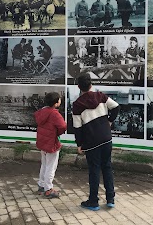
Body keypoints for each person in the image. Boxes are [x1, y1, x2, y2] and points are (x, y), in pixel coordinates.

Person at [73, 73, 120, 211]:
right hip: (106, 138)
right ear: (91, 84)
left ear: (79, 87)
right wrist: (109, 121)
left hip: (91, 142)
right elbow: (116, 107)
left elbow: (77, 127)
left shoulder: (77, 105)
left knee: (94, 170)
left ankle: (93, 201)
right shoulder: (101, 96)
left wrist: (79, 144)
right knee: (107, 167)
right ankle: (110, 199)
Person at [35, 92, 67, 199]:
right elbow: (63, 126)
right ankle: (48, 189)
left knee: (44, 164)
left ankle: (41, 185)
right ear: (56, 103)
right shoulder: (54, 114)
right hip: (51, 143)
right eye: (59, 99)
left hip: (43, 142)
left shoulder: (42, 112)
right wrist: (57, 133)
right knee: (51, 166)